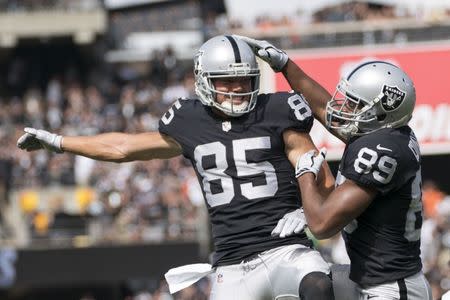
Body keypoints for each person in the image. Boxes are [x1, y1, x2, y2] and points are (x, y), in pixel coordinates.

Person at [17, 35, 336, 300]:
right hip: (232, 265)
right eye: (227, 79)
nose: (237, 87)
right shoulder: (190, 120)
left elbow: (320, 175)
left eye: (244, 78)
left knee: (317, 285)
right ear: (204, 80)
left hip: (285, 249)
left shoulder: (277, 110)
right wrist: (59, 142)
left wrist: (310, 211)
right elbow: (123, 147)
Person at [237, 36, 433, 299]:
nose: (345, 107)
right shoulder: (384, 134)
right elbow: (324, 108)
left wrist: (305, 174)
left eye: (355, 103)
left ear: (383, 111)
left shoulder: (382, 150)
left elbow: (322, 225)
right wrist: (285, 65)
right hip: (373, 280)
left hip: (390, 290)